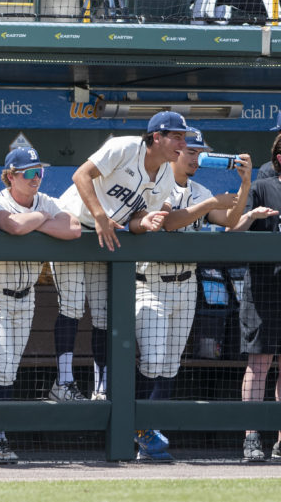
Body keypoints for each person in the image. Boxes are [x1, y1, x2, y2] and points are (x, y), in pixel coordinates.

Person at [52, 110, 186, 405]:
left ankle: (101, 388)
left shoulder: (165, 175)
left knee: (103, 313)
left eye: (184, 137)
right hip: (74, 226)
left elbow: (137, 217)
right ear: (156, 137)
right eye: (176, 136)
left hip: (106, 237)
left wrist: (146, 223)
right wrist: (100, 215)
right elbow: (81, 175)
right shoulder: (124, 147)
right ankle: (63, 382)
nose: (182, 143)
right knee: (72, 306)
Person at [133, 127, 251, 461]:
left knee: (169, 366)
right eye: (191, 152)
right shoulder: (159, 185)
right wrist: (211, 203)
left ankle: (150, 433)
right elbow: (169, 221)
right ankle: (141, 429)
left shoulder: (199, 190)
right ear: (177, 152)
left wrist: (244, 186)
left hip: (186, 283)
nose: (195, 159)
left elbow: (229, 219)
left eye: (200, 154)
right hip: (152, 282)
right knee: (153, 360)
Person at [0, 147, 81, 462]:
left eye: (40, 172)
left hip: (26, 298)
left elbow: (73, 229)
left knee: (8, 370)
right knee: (2, 366)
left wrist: (37, 219)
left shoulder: (45, 201)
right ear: (10, 176)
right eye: (29, 173)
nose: (37, 178)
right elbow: (14, 227)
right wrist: (43, 220)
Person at [229, 133, 281, 462]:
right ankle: (251, 438)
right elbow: (232, 230)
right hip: (263, 288)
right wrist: (252, 216)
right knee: (259, 365)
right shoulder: (262, 184)